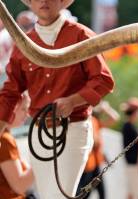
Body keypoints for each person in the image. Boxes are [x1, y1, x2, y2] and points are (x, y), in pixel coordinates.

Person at [0, 0, 115, 198]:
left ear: (62, 1)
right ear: (29, 3)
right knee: (46, 195)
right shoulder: (23, 44)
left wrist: (73, 101)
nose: (44, 1)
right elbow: (11, 92)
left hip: (74, 128)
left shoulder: (81, 36)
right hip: (38, 133)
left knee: (58, 196)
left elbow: (103, 80)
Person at [77, 100, 120, 199]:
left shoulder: (95, 121)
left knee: (100, 193)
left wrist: (106, 108)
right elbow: (94, 142)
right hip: (87, 167)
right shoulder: (87, 120)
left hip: (95, 167)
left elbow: (115, 118)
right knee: (83, 193)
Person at [0, 94, 34, 199]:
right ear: (11, 109)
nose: (27, 114)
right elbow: (19, 185)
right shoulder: (5, 139)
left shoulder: (6, 136)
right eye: (24, 109)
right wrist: (44, 161)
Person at [0, 10, 37, 86]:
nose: (27, 27)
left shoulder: (34, 36)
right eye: (24, 24)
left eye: (29, 24)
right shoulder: (4, 36)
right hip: (6, 75)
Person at [121, 97, 138, 199]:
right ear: (135, 112)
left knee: (131, 192)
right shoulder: (129, 127)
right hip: (133, 164)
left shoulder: (129, 126)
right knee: (137, 193)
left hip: (131, 163)